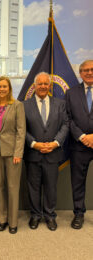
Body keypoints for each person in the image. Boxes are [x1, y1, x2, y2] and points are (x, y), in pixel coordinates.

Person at [23, 72, 69, 231]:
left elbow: (65, 125)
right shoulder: (24, 105)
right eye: (39, 84)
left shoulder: (60, 104)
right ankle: (35, 215)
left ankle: (50, 216)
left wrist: (55, 143)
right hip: (33, 154)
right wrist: (34, 144)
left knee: (51, 187)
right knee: (33, 187)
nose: (43, 86)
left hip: (53, 153)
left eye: (45, 84)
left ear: (50, 86)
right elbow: (22, 129)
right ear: (34, 86)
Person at [0, 76, 26, 234]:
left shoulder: (17, 105)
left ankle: (13, 222)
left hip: (12, 153)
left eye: (4, 86)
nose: (1, 89)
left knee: (12, 187)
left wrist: (18, 152)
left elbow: (21, 131)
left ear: (9, 88)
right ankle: (2, 219)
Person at [66, 60, 93, 229]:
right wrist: (83, 136)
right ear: (80, 73)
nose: (89, 73)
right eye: (86, 70)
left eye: (92, 70)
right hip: (79, 145)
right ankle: (78, 214)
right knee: (78, 182)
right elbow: (67, 118)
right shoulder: (71, 93)